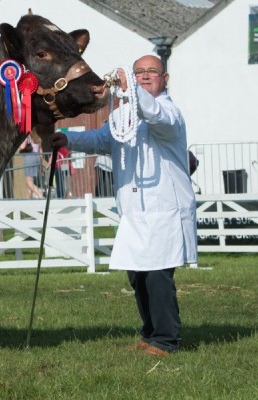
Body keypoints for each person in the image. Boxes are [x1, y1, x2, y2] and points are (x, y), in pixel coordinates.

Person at [49, 54, 197, 356]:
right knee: (137, 275)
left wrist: (128, 87)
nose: (144, 77)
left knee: (157, 275)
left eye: (151, 72)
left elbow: (154, 115)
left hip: (163, 208)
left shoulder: (168, 112)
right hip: (135, 212)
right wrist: (66, 139)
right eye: (138, 72)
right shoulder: (122, 115)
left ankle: (167, 340)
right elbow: (101, 140)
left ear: (165, 79)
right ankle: (150, 333)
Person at [19, 135, 44, 199]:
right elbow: (41, 152)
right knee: (30, 181)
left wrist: (19, 144)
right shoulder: (38, 138)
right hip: (37, 158)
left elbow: (22, 147)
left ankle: (40, 196)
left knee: (29, 182)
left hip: (29, 158)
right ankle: (28, 199)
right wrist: (41, 165)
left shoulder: (27, 137)